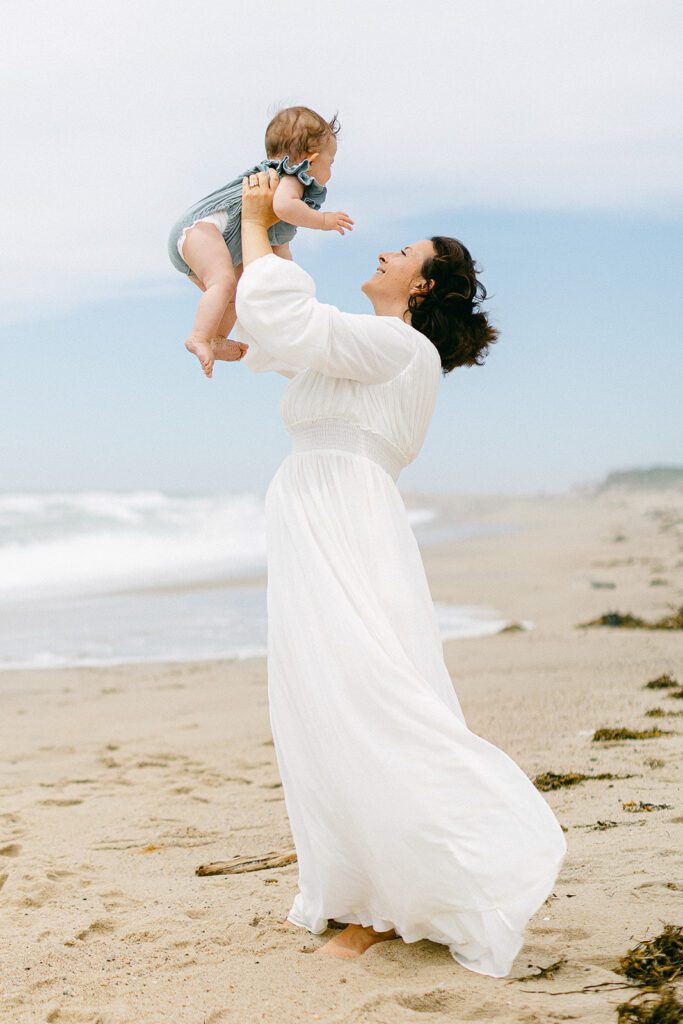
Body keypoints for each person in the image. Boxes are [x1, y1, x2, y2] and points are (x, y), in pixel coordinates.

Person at [231, 168, 567, 976]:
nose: (383, 251)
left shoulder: (397, 346)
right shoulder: (375, 344)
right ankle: (355, 888)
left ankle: (397, 898)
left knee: (365, 693)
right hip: (322, 513)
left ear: (421, 286)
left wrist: (254, 219)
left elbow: (282, 312)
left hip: (343, 517)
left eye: (402, 252)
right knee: (320, 701)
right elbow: (275, 337)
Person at [167, 106, 353, 377]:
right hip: (201, 230)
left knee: (235, 290)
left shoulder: (278, 182)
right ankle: (199, 336)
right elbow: (283, 207)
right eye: (331, 161)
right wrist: (323, 220)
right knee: (223, 283)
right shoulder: (291, 178)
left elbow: (277, 253)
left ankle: (217, 337)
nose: (331, 170)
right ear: (311, 160)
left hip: (207, 239)